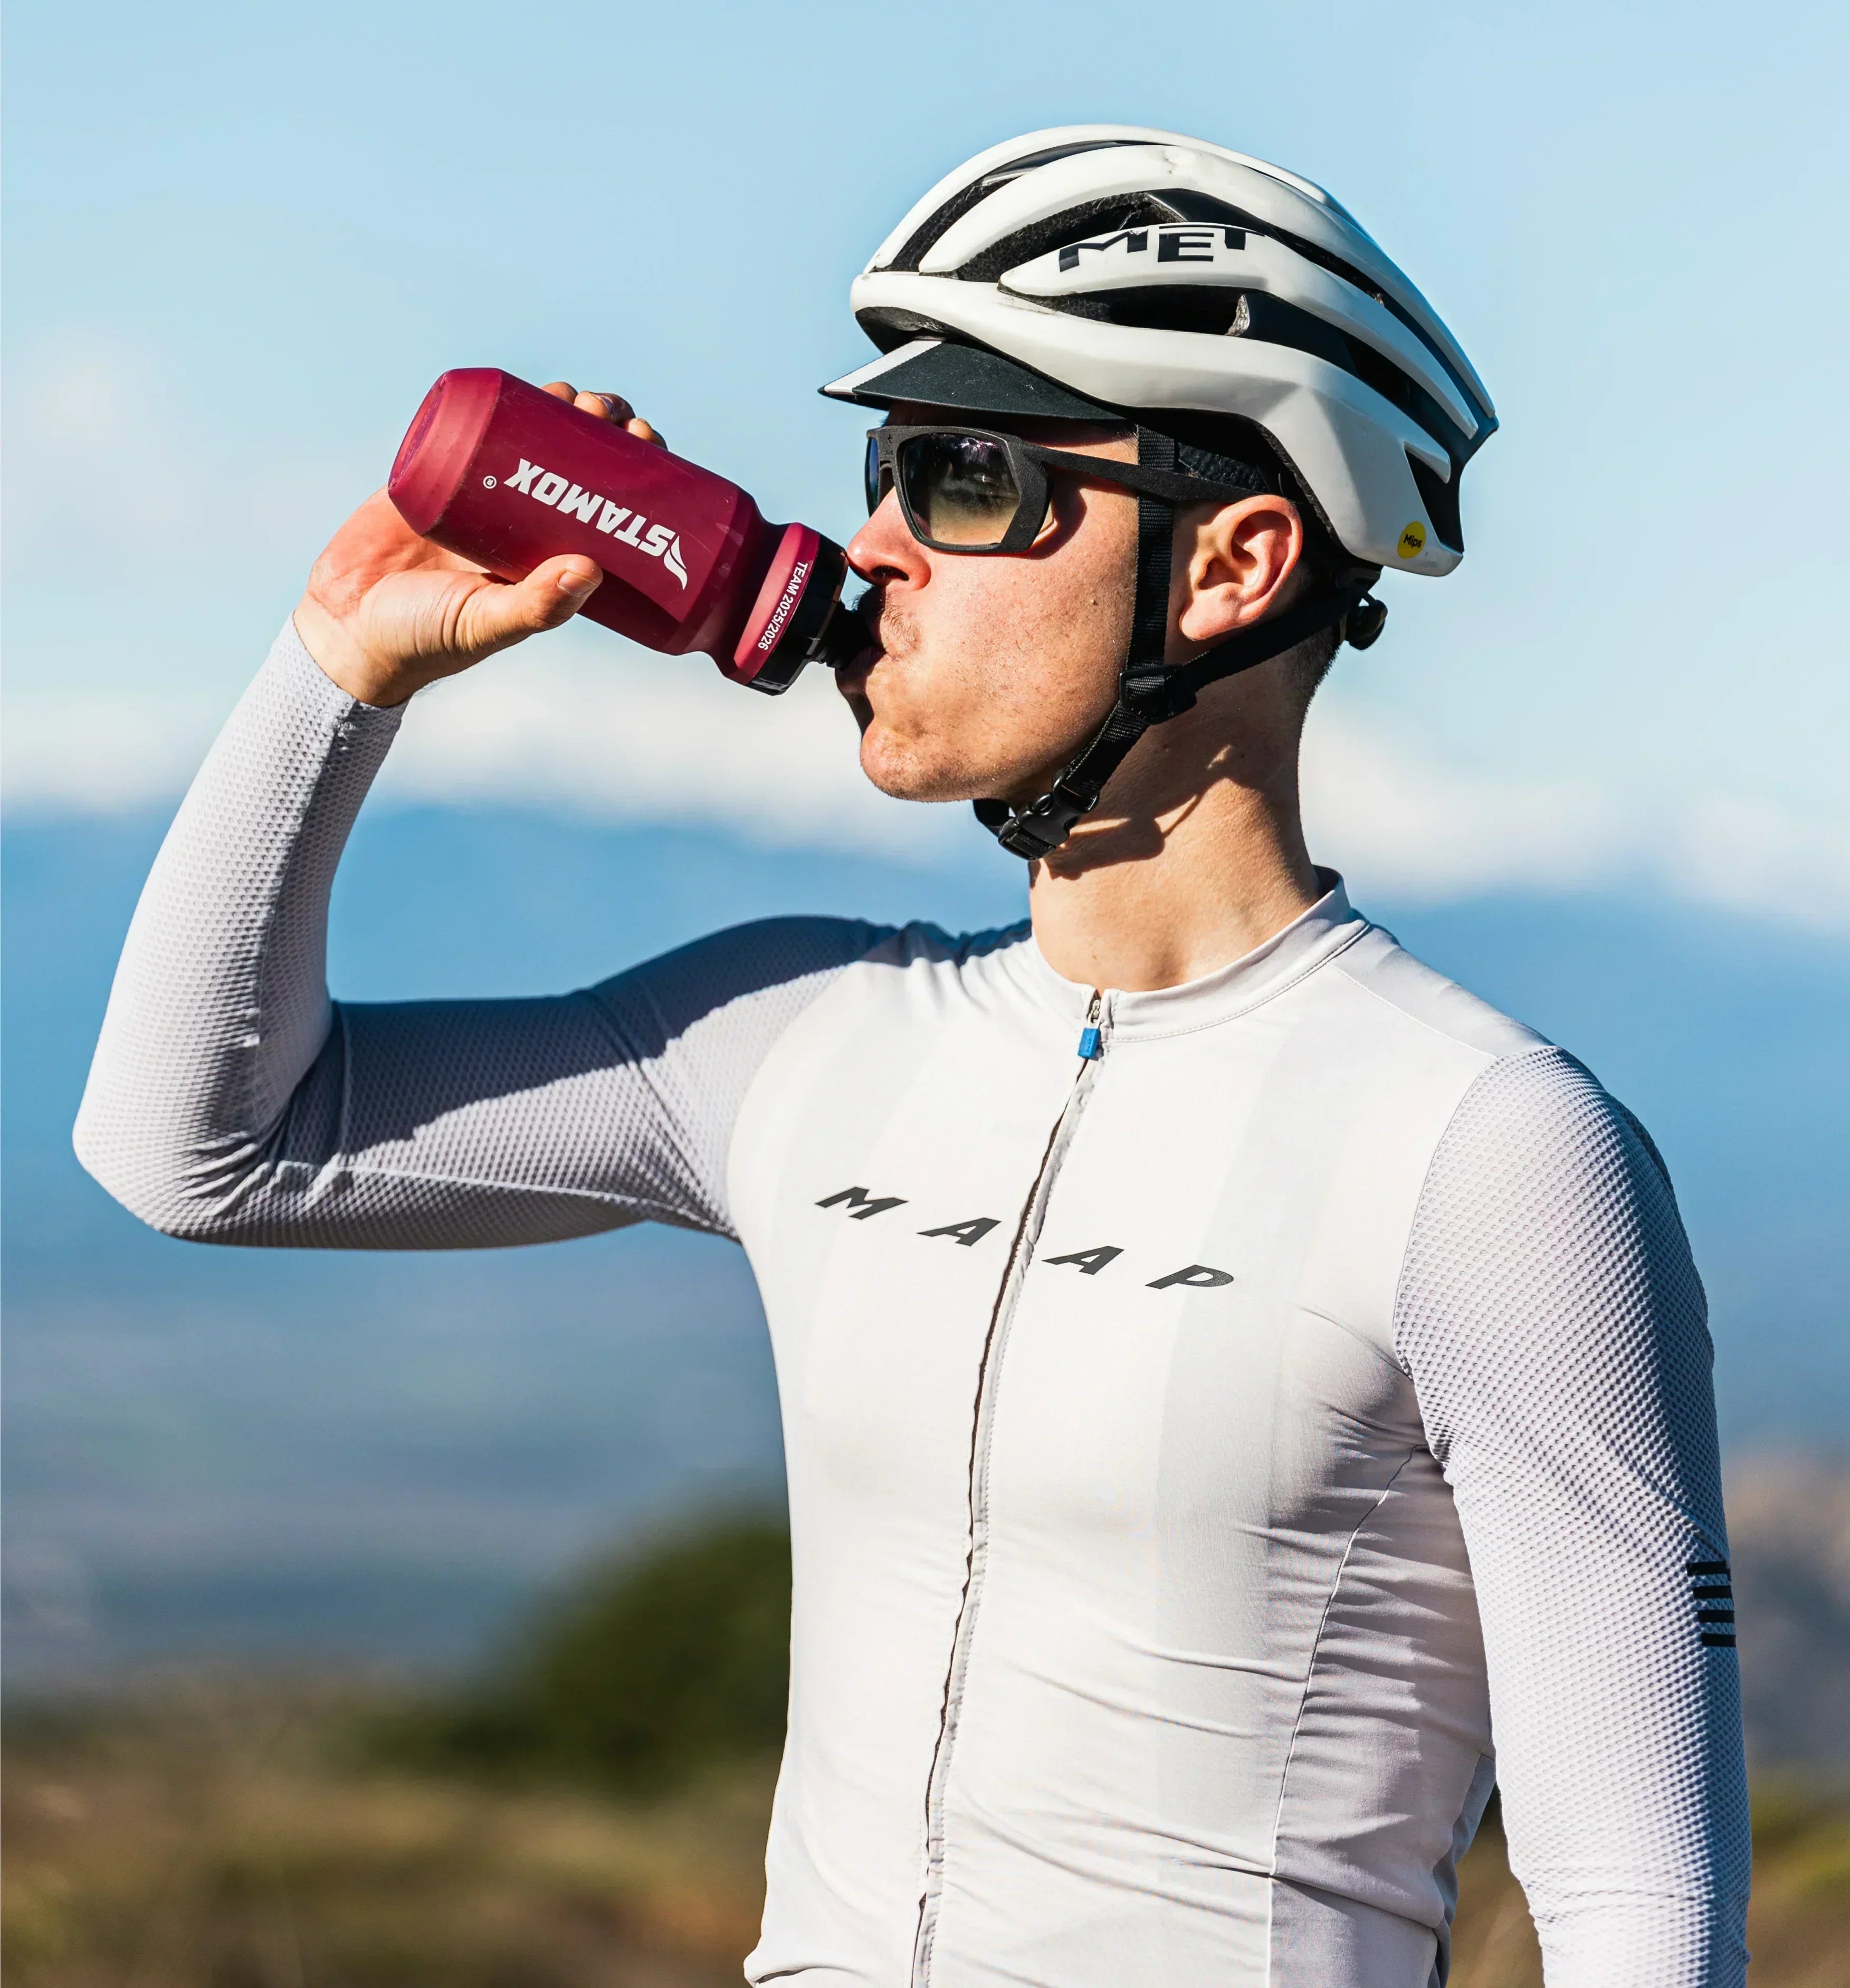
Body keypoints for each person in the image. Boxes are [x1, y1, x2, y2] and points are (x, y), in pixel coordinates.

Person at [76, 127, 1749, 1986]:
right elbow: (198, 1148)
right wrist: (337, 668)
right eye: (883, 470)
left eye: (966, 477)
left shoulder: (1490, 1148)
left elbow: (1631, 1899)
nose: (875, 543)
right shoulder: (800, 1035)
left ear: (1232, 564)